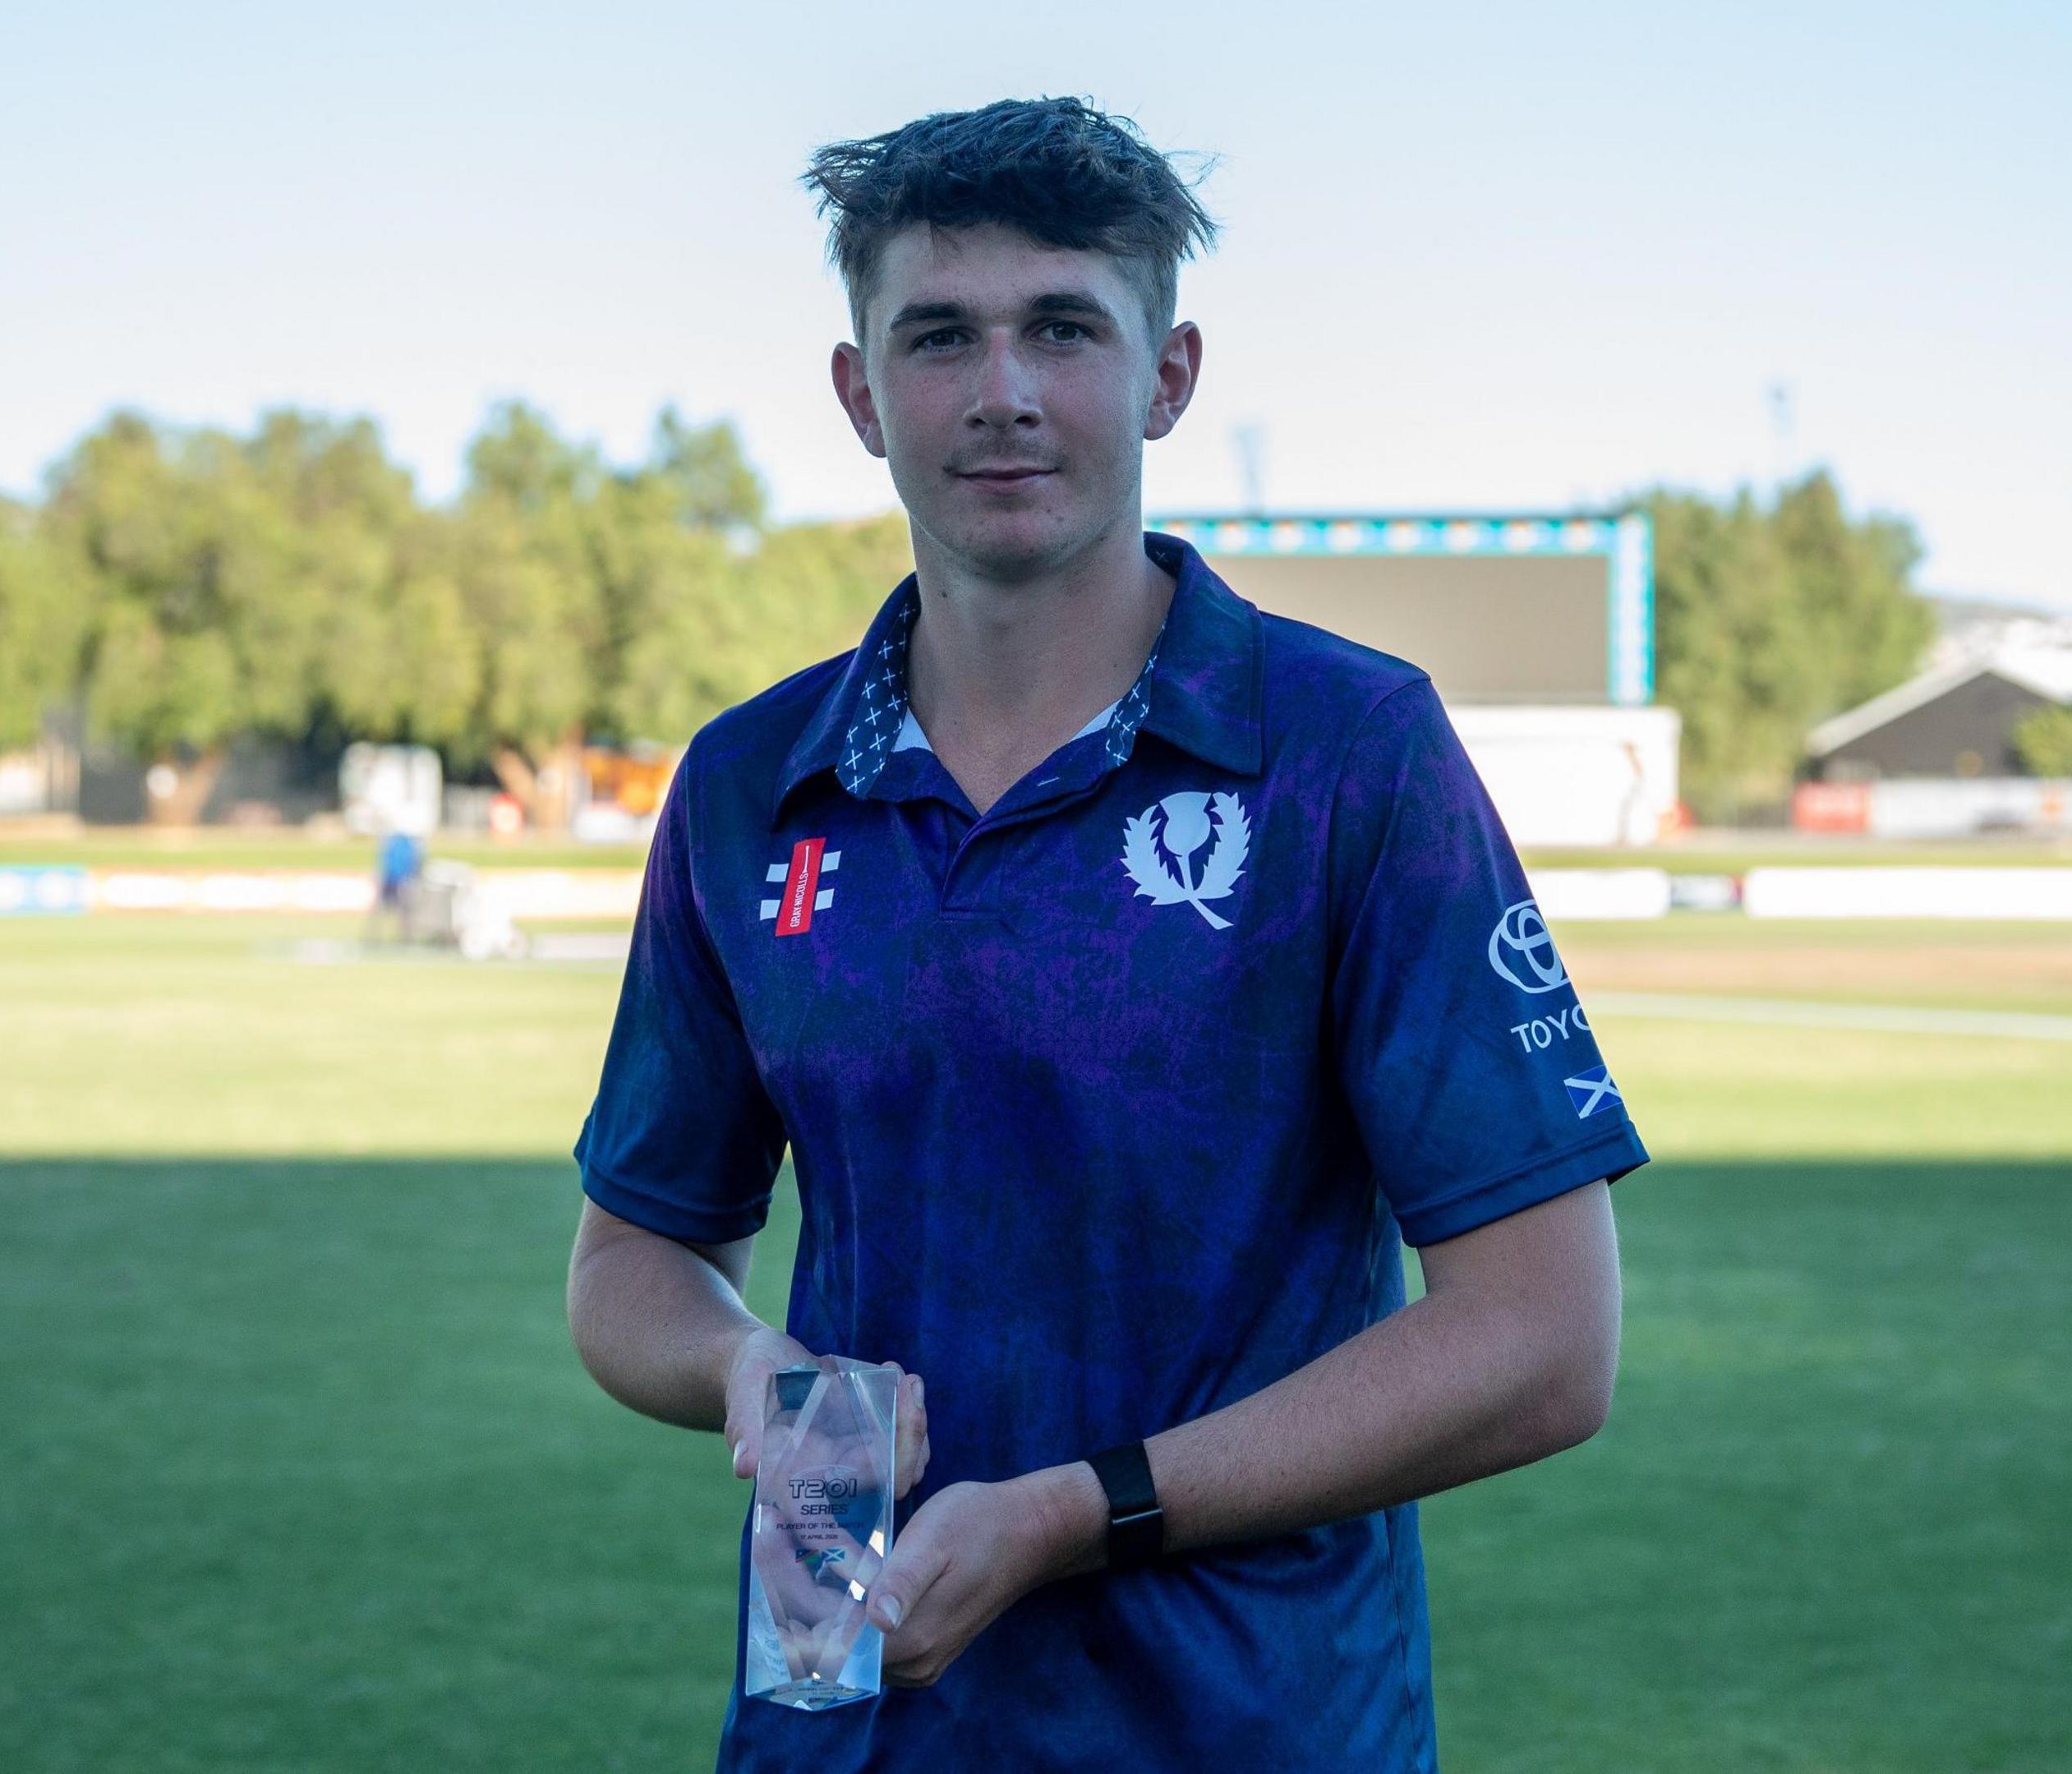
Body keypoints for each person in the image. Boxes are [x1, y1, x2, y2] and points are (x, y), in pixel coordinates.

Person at [564, 99, 1643, 1772]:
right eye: (940, 335)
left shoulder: (1349, 750)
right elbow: (631, 1262)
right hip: (847, 1728)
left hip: (1252, 1727)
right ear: (860, 392)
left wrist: (1077, 1510)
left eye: (1064, 327)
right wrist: (746, 1368)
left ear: (1169, 375)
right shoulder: (748, 784)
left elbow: (1543, 1338)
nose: (1003, 390)